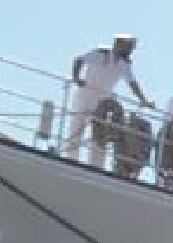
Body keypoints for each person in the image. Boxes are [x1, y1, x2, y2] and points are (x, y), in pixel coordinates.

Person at [64, 36, 150, 166]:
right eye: (129, 46)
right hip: (84, 96)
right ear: (119, 44)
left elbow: (132, 83)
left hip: (102, 103)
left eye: (132, 47)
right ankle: (71, 160)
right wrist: (76, 78)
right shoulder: (100, 53)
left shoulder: (124, 64)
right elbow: (79, 60)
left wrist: (143, 100)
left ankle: (96, 166)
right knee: (75, 130)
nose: (131, 50)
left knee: (100, 136)